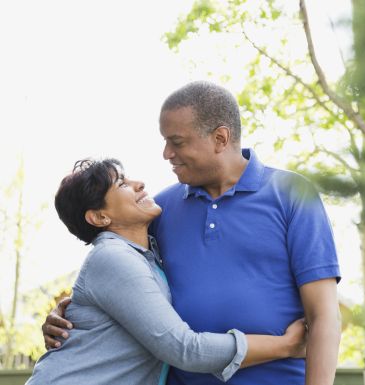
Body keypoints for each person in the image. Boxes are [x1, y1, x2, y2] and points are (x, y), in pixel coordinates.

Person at [43, 81, 341, 385]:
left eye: (177, 142)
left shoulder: (292, 195)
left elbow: (323, 315)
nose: (166, 153)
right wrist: (67, 317)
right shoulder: (161, 209)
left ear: (220, 138)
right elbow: (120, 276)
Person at [29, 158, 306, 385]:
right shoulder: (113, 257)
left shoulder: (146, 253)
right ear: (100, 217)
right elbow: (183, 349)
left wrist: (68, 307)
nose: (139, 184)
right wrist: (287, 346)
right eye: (122, 184)